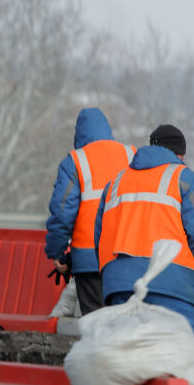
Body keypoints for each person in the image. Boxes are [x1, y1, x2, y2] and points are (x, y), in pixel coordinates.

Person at [94, 124, 194, 338]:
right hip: (174, 285)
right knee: (179, 361)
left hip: (120, 286)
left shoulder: (116, 182)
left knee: (127, 362)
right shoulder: (185, 178)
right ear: (180, 154)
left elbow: (99, 236)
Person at [44, 108, 136, 316]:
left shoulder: (75, 162)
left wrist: (57, 252)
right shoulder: (131, 155)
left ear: (78, 135)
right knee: (124, 326)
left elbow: (62, 213)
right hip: (128, 257)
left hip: (90, 261)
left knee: (97, 327)